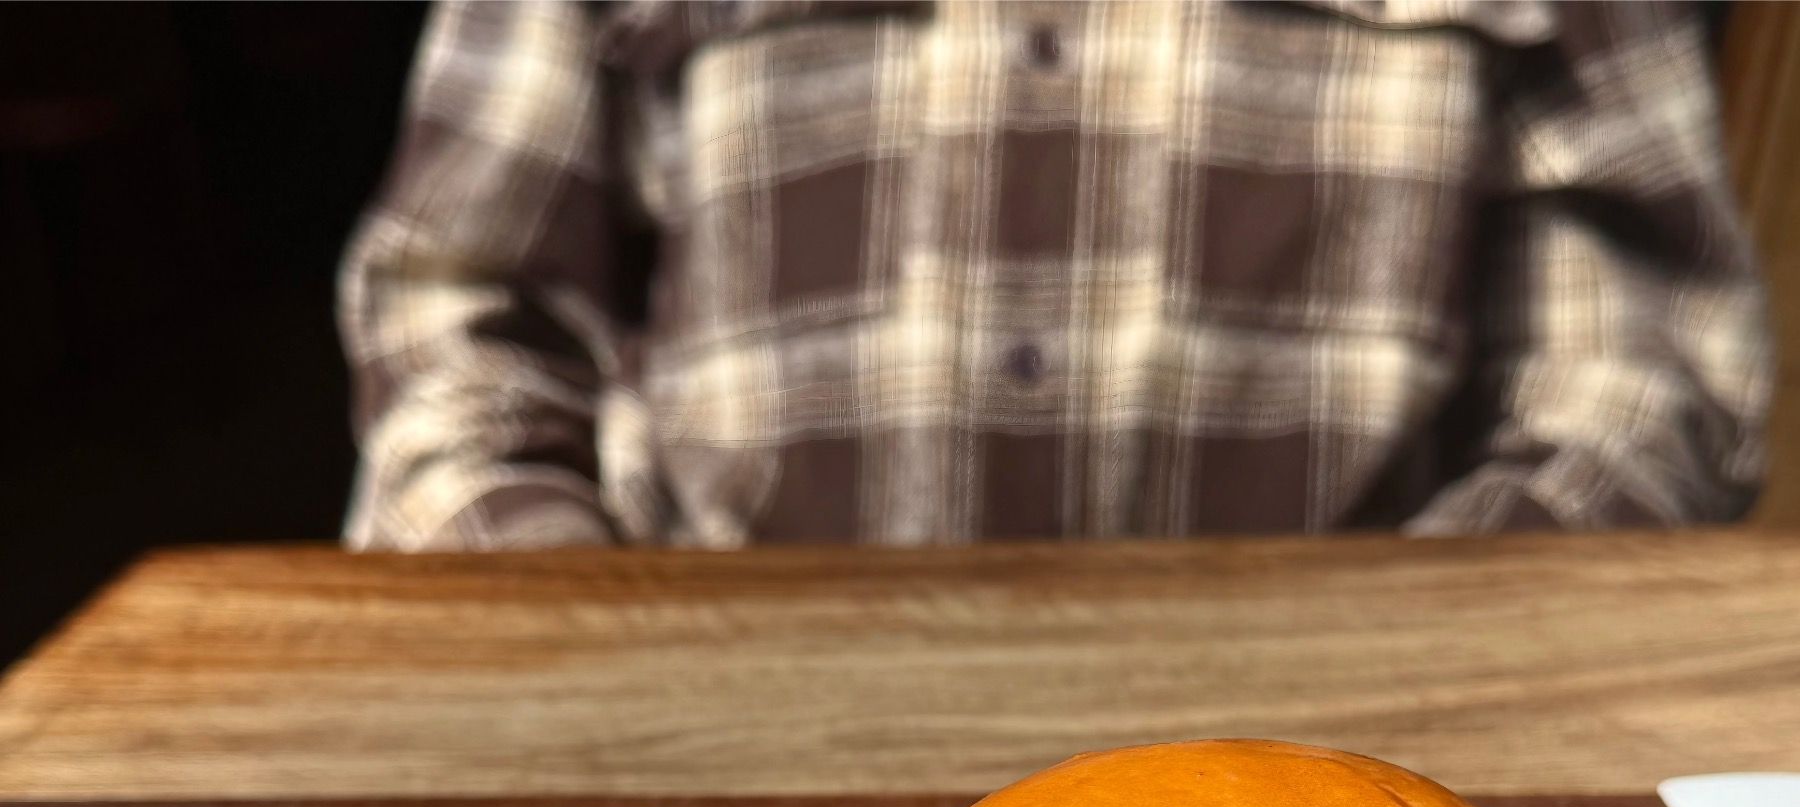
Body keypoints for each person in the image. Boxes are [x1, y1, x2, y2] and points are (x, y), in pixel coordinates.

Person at [341, 0, 1769, 550]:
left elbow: (1634, 381)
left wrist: (1420, 692)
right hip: (697, 746)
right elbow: (458, 311)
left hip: (1336, 777)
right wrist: (559, 652)